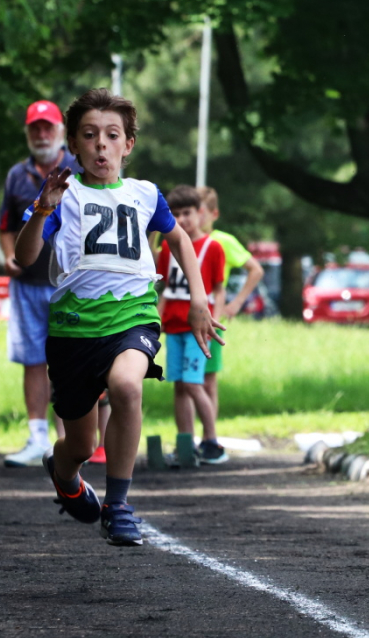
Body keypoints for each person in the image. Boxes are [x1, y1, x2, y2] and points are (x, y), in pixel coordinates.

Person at [14, 87, 222, 548]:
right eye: (90, 136)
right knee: (81, 446)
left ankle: (119, 504)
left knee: (128, 386)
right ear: (74, 144)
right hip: (73, 332)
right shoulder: (60, 198)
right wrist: (43, 206)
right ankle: (64, 474)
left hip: (133, 316)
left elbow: (181, 241)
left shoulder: (145, 195)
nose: (101, 145)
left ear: (128, 144)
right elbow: (25, 255)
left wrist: (199, 300)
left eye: (112, 135)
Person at [0, 100, 81, 468]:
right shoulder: (16, 175)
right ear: (28, 133)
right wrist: (7, 256)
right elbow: (5, 227)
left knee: (70, 361)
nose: (42, 134)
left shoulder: (79, 168)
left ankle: (69, 439)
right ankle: (37, 438)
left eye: (48, 127)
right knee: (33, 361)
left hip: (71, 283)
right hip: (27, 284)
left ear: (61, 131)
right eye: (36, 128)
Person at [171, 186, 264, 436]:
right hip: (181, 318)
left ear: (210, 213)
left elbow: (255, 270)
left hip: (209, 318)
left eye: (199, 212)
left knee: (207, 381)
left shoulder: (222, 242)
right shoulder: (178, 240)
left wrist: (235, 304)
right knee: (185, 383)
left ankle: (209, 438)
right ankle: (189, 438)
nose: (194, 219)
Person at [156, 185, 228, 465]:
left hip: (198, 326)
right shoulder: (166, 246)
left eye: (187, 213)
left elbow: (219, 289)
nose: (182, 220)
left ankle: (211, 442)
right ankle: (185, 443)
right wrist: (157, 319)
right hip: (173, 325)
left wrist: (215, 319)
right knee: (179, 385)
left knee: (195, 383)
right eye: (175, 215)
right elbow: (165, 288)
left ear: (200, 213)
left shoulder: (213, 247)